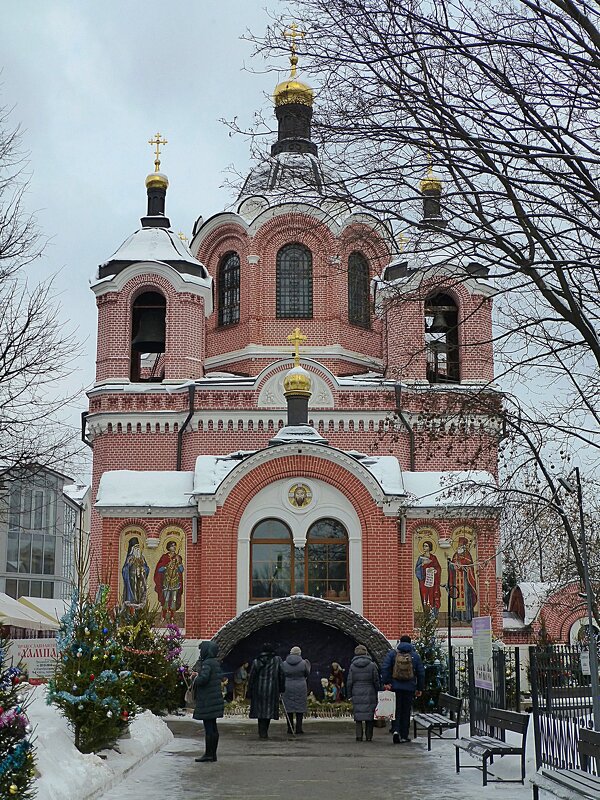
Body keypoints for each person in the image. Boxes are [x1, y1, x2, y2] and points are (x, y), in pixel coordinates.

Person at [382, 635, 425, 744]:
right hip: (409, 688)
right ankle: (404, 735)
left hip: (395, 687)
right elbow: (420, 673)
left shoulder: (393, 654)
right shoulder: (415, 656)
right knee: (406, 711)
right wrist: (419, 688)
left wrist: (386, 683)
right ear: (410, 643)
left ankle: (395, 730)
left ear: (400, 642)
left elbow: (385, 668)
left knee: (396, 710)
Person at [191, 640, 224, 763]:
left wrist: (195, 677)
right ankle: (212, 754)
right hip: (214, 700)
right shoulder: (214, 662)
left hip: (208, 701)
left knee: (209, 728)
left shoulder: (207, 663)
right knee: (213, 727)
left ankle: (209, 754)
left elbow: (203, 679)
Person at [247, 642, 286, 739]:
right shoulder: (277, 660)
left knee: (260, 711)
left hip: (259, 689)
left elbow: (252, 677)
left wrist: (249, 690)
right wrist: (282, 687)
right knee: (268, 711)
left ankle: (261, 732)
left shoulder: (256, 661)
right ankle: (265, 731)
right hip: (272, 689)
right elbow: (282, 674)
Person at [346, 644, 380, 742]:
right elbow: (376, 680)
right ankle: (369, 736)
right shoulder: (372, 665)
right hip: (370, 691)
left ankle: (359, 736)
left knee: (358, 716)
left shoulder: (352, 666)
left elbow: (349, 681)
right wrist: (378, 691)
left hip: (356, 691)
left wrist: (349, 695)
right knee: (369, 716)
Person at [282, 645, 311, 734]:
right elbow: (307, 673)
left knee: (288, 708)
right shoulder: (304, 663)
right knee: (300, 708)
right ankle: (299, 728)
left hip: (287, 685)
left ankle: (290, 728)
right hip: (301, 685)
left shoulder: (284, 663)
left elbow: (282, 674)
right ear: (299, 653)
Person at [154, 540, 184, 622]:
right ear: (168, 547)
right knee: (166, 599)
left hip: (175, 582)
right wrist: (166, 567)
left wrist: (179, 563)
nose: (174, 547)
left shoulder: (178, 557)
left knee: (174, 599)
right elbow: (159, 569)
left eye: (174, 545)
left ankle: (172, 616)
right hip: (166, 582)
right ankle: (163, 616)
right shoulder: (164, 557)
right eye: (172, 545)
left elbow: (181, 570)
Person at [448, 537, 478, 622]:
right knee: (456, 596)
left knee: (466, 597)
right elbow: (451, 566)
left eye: (461, 545)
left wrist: (463, 567)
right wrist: (452, 566)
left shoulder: (467, 555)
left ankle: (467, 617)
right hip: (456, 580)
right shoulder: (455, 555)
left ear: (464, 546)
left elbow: (470, 568)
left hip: (465, 580)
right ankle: (456, 616)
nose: (459, 547)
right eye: (459, 545)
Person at [415, 540, 442, 617]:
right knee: (425, 597)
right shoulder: (420, 558)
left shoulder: (433, 558)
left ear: (430, 547)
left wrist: (435, 570)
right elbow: (417, 570)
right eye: (424, 546)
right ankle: (426, 615)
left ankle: (434, 613)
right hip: (424, 582)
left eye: (426, 546)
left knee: (433, 596)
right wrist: (423, 564)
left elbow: (438, 568)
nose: (424, 547)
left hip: (433, 582)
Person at [122, 537, 149, 609]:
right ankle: (131, 609)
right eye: (136, 547)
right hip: (131, 580)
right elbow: (124, 570)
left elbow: (147, 569)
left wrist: (144, 569)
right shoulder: (130, 558)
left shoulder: (141, 558)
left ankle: (140, 607)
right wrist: (129, 564)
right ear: (132, 548)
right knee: (133, 594)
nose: (138, 548)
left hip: (140, 580)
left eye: (138, 546)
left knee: (140, 593)